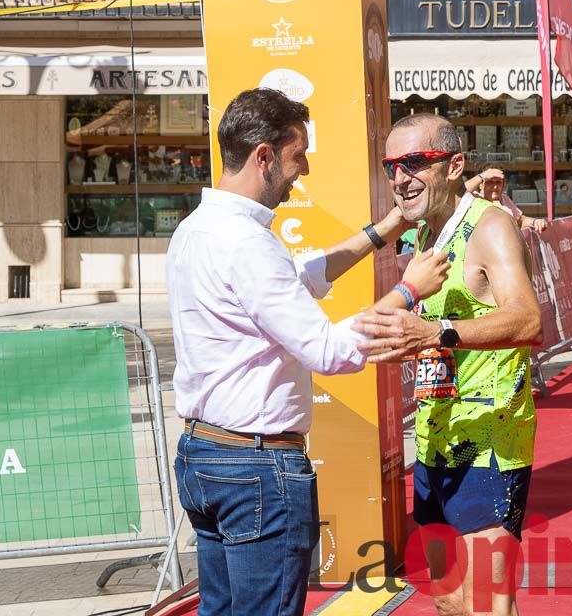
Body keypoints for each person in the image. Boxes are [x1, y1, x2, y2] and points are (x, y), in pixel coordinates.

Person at [165, 89, 450, 616]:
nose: (306, 168)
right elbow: (330, 351)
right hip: (255, 466)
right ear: (265, 156)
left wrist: (386, 229)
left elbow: (297, 280)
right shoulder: (246, 244)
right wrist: (408, 291)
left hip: (205, 457)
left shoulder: (195, 230)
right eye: (299, 155)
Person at [353, 112, 542, 616]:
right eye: (392, 165)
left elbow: (528, 321)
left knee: (487, 605)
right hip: (434, 437)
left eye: (415, 162)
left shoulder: (492, 226)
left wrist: (438, 332)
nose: (399, 177)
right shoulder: (424, 235)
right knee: (448, 600)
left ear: (454, 165)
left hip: (489, 441)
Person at [467, 167, 549, 233]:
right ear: (480, 184)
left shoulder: (504, 199)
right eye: (490, 182)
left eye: (498, 182)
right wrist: (482, 176)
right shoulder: (473, 198)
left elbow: (520, 220)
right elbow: (459, 192)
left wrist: (535, 222)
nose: (495, 187)